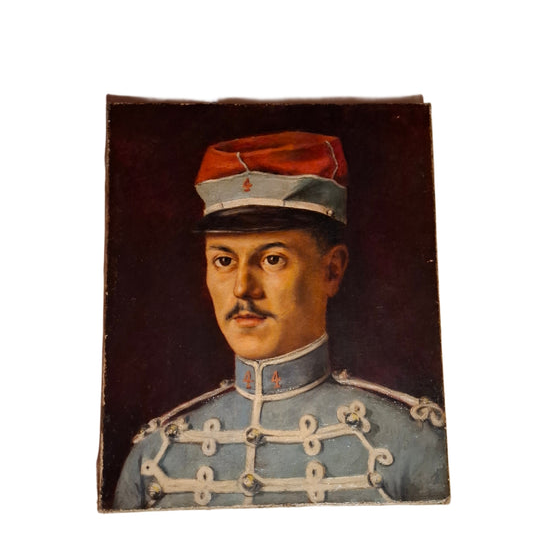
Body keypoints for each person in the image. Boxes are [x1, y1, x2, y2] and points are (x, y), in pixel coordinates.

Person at [114, 131, 449, 510]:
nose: (243, 288)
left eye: (272, 259)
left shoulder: (414, 444)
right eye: (224, 261)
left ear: (332, 271)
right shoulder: (154, 456)